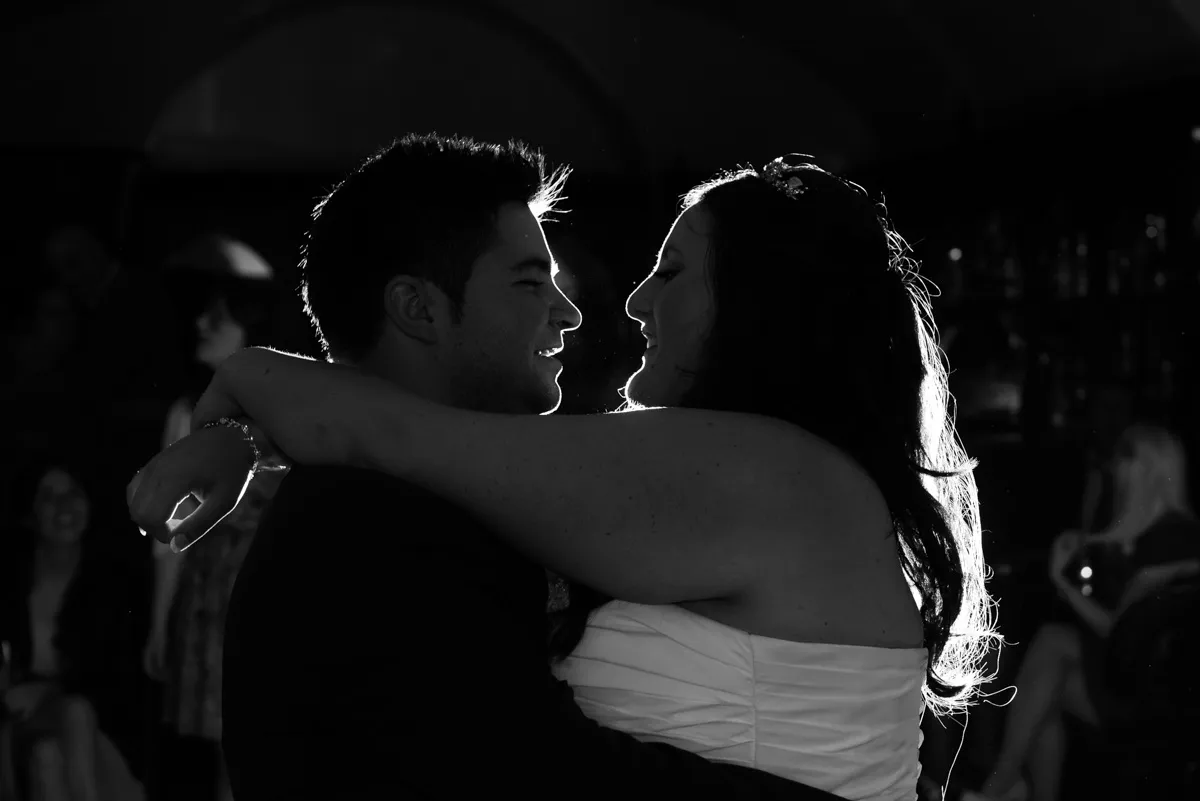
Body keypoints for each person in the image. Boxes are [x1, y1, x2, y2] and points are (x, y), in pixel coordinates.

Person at [129, 135, 998, 798]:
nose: (623, 303)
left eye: (673, 269)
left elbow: (391, 433)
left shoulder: (767, 469)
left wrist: (252, 385)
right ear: (418, 308)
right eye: (525, 281)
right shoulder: (375, 515)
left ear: (760, 304)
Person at [969, 423, 1200, 801]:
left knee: (1052, 646)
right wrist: (1089, 537)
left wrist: (1062, 583)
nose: (1116, 471)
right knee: (1043, 690)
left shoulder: (1168, 544)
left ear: (1148, 470)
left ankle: (1000, 783)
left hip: (1152, 698)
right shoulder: (1173, 534)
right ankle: (1011, 783)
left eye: (1126, 460)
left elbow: (1117, 630)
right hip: (1157, 691)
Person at [144, 242, 284, 801]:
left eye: (220, 317)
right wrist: (159, 623)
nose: (203, 324)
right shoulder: (188, 411)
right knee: (220, 745)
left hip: (265, 594)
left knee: (258, 742)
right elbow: (166, 535)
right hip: (208, 598)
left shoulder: (284, 411)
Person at [1, 458, 147, 801]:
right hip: (17, 718)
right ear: (30, 511)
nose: (64, 507)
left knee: (50, 753)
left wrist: (49, 691)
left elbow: (113, 677)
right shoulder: (10, 580)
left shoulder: (111, 582)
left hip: (88, 729)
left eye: (73, 494)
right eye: (49, 497)